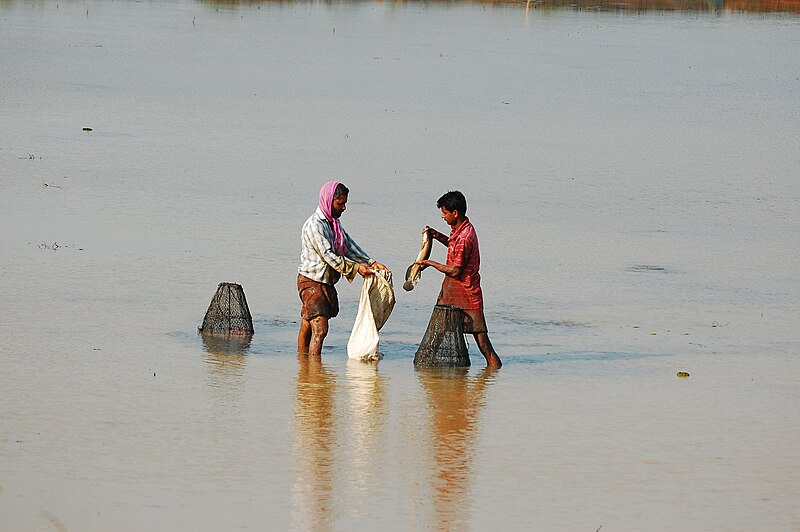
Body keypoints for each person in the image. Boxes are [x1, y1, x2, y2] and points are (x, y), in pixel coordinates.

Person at [297, 180, 389, 357]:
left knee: (308, 323)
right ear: (328, 201)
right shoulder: (315, 226)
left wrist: (370, 262)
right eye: (340, 204)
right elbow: (329, 256)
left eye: (345, 203)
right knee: (320, 329)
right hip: (311, 281)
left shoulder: (334, 225)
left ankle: (302, 367)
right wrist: (356, 269)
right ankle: (315, 375)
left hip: (326, 282)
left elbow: (348, 246)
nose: (344, 207)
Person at [417, 190, 502, 368]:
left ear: (455, 213)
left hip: (467, 295)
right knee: (439, 333)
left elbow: (455, 271)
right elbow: (452, 245)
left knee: (483, 344)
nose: (443, 217)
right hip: (452, 294)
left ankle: (494, 373)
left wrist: (429, 263)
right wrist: (435, 235)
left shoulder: (464, 237)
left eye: (445, 213)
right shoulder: (461, 230)